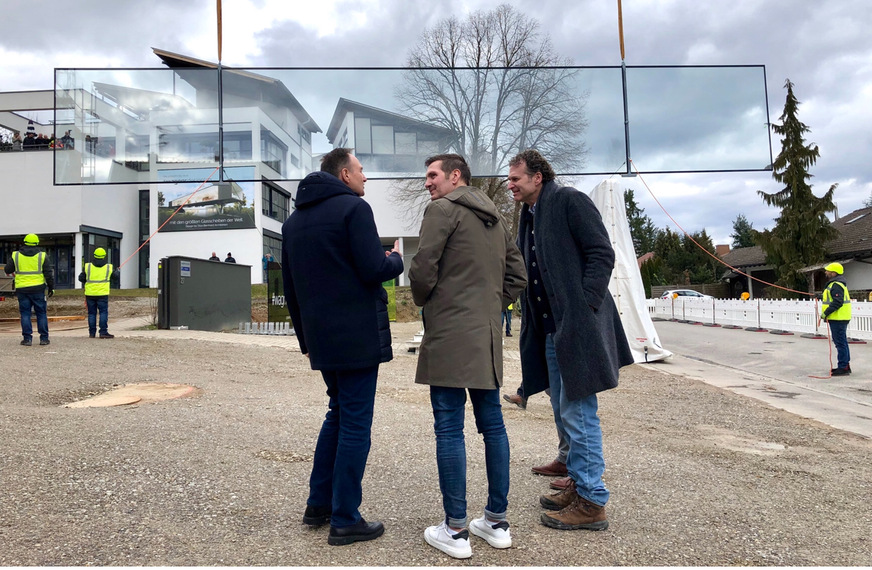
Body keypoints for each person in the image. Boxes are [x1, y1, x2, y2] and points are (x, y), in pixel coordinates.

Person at [282, 147, 403, 546]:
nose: (366, 177)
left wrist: (305, 340)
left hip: (322, 339)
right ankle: (346, 517)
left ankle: (319, 504)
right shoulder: (354, 210)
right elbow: (372, 269)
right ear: (344, 175)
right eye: (362, 170)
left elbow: (291, 288)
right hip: (357, 337)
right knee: (354, 423)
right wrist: (395, 260)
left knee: (337, 413)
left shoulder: (293, 222)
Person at [508, 149, 634, 532]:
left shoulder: (568, 201)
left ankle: (593, 501)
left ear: (538, 177)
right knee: (566, 413)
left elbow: (601, 253)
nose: (510, 184)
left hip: (575, 326)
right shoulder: (529, 215)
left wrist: (585, 305)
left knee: (579, 415)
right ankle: (579, 485)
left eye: (516, 178)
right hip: (552, 330)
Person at [409, 153, 526, 559]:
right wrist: (491, 307)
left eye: (432, 175)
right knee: (492, 424)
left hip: (448, 334)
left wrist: (431, 304)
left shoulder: (441, 210)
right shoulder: (495, 218)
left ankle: (455, 530)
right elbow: (518, 275)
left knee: (448, 426)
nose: (427, 183)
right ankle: (496, 521)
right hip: (487, 335)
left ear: (455, 175)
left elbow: (423, 268)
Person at [4, 233, 54, 346]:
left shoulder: (16, 255)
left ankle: (27, 339)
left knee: (25, 314)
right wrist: (51, 287)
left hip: (22, 289)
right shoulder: (42, 256)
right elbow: (48, 274)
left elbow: (7, 270)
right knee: (41, 313)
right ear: (37, 243)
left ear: (24, 242)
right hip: (38, 289)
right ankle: (44, 339)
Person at [78, 247, 117, 339]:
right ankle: (103, 332)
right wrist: (117, 272)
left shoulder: (88, 266)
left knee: (92, 313)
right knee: (103, 313)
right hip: (102, 294)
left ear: (94, 256)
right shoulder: (109, 267)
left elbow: (81, 278)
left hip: (90, 293)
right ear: (104, 256)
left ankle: (92, 333)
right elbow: (116, 277)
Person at [821, 262, 852, 376]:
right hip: (840, 317)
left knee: (840, 343)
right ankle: (845, 365)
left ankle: (843, 367)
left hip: (838, 318)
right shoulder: (836, 284)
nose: (826, 272)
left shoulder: (836, 284)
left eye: (828, 271)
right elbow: (832, 297)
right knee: (842, 342)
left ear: (834, 273)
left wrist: (825, 313)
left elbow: (837, 302)